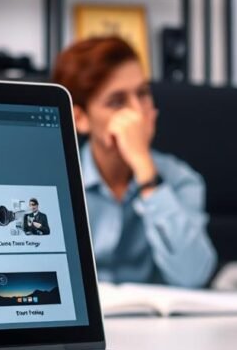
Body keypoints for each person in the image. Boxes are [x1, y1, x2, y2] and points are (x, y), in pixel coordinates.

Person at [51, 36, 217, 288]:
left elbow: (194, 275)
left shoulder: (181, 179)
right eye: (117, 102)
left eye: (143, 94)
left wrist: (145, 170)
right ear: (80, 118)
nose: (138, 112)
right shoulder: (55, 182)